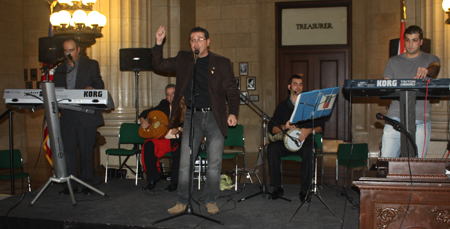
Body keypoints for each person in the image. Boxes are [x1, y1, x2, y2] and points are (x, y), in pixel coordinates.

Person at [151, 26, 240, 215]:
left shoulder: (222, 63)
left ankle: (210, 200)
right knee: (185, 161)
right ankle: (182, 201)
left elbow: (232, 90)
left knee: (214, 162)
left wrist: (232, 112)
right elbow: (159, 65)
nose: (196, 42)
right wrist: (158, 43)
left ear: (208, 42)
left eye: (200, 39)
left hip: (215, 116)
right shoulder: (184, 59)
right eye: (192, 39)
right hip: (192, 115)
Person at [53, 37, 105, 195]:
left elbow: (99, 84)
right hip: (68, 115)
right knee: (68, 153)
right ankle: (71, 185)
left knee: (86, 151)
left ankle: (87, 185)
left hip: (86, 115)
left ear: (79, 49)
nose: (69, 53)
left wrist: (93, 88)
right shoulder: (60, 69)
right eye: (66, 51)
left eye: (72, 50)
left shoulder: (91, 64)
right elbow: (56, 90)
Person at [381, 25, 440, 158]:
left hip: (420, 118)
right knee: (386, 160)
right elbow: (385, 86)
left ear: (421, 42)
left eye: (414, 40)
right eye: (407, 40)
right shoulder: (393, 61)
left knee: (417, 163)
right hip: (395, 117)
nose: (410, 44)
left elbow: (435, 68)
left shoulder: (430, 59)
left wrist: (427, 71)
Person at [267, 75, 324, 201]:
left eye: (300, 84)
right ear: (289, 87)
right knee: (272, 148)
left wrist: (309, 130)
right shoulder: (282, 106)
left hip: (306, 142)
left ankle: (305, 190)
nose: (298, 86)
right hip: (287, 142)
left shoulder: (310, 106)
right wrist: (284, 126)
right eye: (295, 83)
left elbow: (321, 127)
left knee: (309, 149)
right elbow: (271, 128)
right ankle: (277, 187)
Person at [139, 84, 182, 192]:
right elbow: (146, 113)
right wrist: (143, 119)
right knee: (148, 144)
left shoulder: (185, 106)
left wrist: (180, 130)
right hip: (164, 138)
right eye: (168, 95)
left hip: (179, 138)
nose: (170, 97)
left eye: (173, 94)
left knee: (178, 149)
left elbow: (192, 123)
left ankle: (174, 182)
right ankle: (153, 178)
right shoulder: (163, 105)